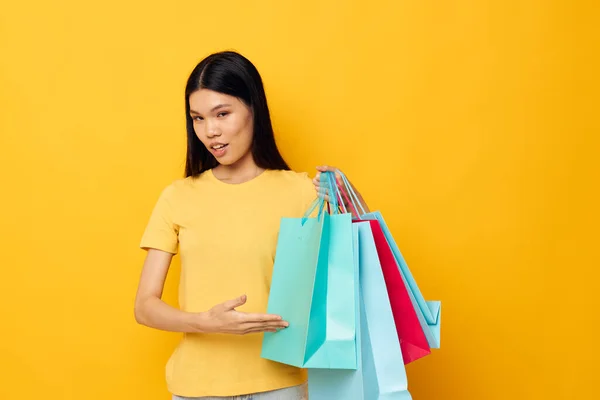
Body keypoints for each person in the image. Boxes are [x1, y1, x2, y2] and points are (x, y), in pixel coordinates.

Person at [134, 50, 369, 400]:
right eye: (197, 118)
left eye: (222, 114)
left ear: (253, 110)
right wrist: (205, 322)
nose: (210, 131)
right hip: (196, 388)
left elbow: (360, 268)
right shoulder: (177, 197)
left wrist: (349, 198)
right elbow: (145, 306)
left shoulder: (303, 191)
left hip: (278, 385)